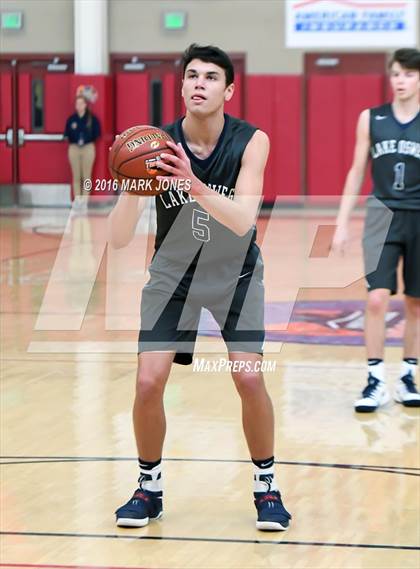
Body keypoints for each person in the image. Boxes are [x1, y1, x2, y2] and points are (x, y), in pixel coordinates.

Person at [108, 44, 291, 531]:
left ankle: (266, 485)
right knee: (148, 382)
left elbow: (243, 220)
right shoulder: (154, 145)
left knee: (249, 378)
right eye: (192, 75)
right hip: (174, 275)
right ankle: (149, 488)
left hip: (236, 273)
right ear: (182, 85)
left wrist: (191, 182)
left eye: (211, 77)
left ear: (229, 90)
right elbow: (119, 237)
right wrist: (129, 185)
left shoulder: (252, 141)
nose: (199, 83)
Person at [332, 48, 420, 412]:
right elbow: (355, 170)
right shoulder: (371, 118)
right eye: (396, 73)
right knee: (376, 299)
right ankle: (375, 380)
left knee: (416, 303)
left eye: (409, 74)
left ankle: (408, 376)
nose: (401, 80)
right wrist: (341, 222)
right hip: (381, 215)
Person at [64, 95, 101, 211]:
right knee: (76, 176)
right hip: (74, 148)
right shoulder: (71, 119)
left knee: (86, 176)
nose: (79, 106)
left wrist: (85, 139)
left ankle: (85, 201)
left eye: (81, 103)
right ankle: (77, 200)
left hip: (88, 148)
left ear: (85, 105)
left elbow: (97, 134)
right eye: (77, 104)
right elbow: (66, 134)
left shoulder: (92, 119)